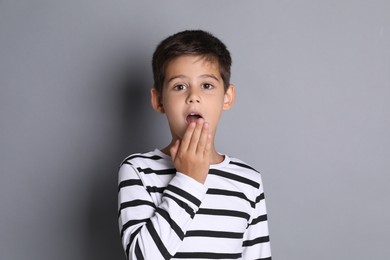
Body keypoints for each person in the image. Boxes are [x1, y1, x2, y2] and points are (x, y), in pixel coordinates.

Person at [118, 30, 271, 260]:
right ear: (158, 100)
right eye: (180, 86)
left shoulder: (249, 181)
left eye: (207, 86)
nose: (194, 96)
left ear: (227, 97)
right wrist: (189, 179)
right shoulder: (138, 171)